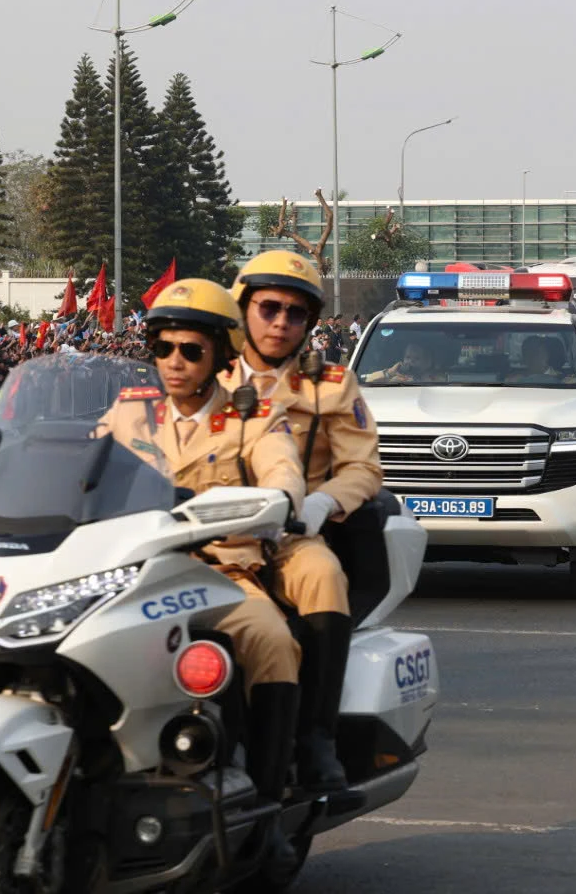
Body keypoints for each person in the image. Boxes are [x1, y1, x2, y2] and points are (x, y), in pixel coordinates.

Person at [97, 277, 306, 865]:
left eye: (191, 350)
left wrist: (280, 498)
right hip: (129, 573)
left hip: (216, 574)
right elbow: (83, 467)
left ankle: (267, 813)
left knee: (271, 638)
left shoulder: (254, 418)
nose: (174, 362)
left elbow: (283, 473)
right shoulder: (128, 411)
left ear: (219, 355)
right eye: (163, 348)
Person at [227, 249, 382, 792]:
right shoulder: (202, 371)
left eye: (297, 314)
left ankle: (315, 737)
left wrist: (324, 504)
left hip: (294, 533)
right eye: (269, 308)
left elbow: (363, 467)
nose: (281, 323)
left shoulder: (331, 384)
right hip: (206, 535)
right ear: (242, 307)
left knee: (323, 575)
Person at [362, 340, 444, 385]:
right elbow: (366, 382)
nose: (411, 361)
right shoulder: (396, 376)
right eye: (408, 357)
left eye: (417, 358)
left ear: (428, 362)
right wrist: (389, 373)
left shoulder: (437, 378)